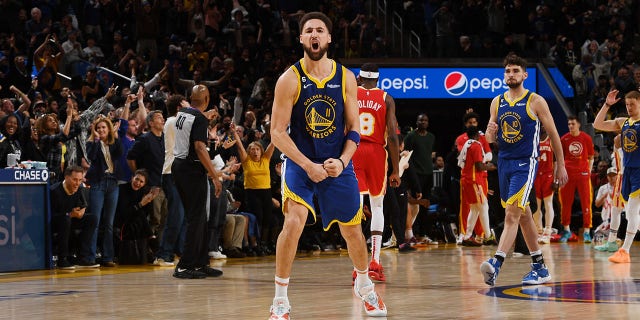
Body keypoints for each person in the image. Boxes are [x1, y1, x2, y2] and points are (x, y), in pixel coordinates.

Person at [269, 12, 386, 319]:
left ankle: (364, 285)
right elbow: (277, 133)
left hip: (337, 163)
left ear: (330, 38)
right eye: (309, 31)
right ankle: (280, 299)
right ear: (301, 39)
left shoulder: (346, 77)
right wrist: (308, 165)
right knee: (292, 222)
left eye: (320, 30)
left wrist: (343, 160)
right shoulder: (289, 79)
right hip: (299, 162)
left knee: (353, 231)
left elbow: (354, 129)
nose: (315, 34)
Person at [481, 54, 568, 286]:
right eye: (508, 71)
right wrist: (489, 133)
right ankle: (539, 267)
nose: (511, 74)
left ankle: (496, 263)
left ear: (524, 75)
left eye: (515, 71)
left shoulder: (536, 101)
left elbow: (554, 134)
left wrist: (560, 164)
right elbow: (491, 139)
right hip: (504, 163)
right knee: (523, 216)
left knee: (511, 214)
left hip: (525, 163)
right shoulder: (496, 102)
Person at [351, 62, 400, 282]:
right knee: (377, 206)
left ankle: (357, 266)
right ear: (378, 80)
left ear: (360, 78)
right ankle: (375, 262)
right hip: (377, 153)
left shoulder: (351, 93)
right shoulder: (386, 98)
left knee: (356, 208)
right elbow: (392, 136)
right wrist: (396, 170)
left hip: (354, 149)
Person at [171, 84, 223, 279]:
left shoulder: (183, 113)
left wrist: (205, 118)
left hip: (179, 166)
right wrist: (215, 176)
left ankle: (200, 262)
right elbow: (200, 148)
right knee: (196, 217)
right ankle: (185, 265)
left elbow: (194, 124)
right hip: (191, 170)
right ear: (207, 99)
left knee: (200, 217)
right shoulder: (199, 119)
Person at [593, 89, 640, 263]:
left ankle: (624, 251)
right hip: (626, 172)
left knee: (633, 210)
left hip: (638, 171)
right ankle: (622, 248)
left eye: (632, 104)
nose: (629, 107)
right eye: (627, 104)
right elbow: (597, 125)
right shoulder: (623, 122)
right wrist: (606, 105)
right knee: (629, 214)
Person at [86, 116, 122, 267]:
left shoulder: (113, 144)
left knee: (109, 223)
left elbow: (120, 153)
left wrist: (116, 135)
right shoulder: (91, 143)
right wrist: (95, 139)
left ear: (108, 129)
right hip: (98, 182)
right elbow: (91, 157)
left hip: (113, 183)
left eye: (103, 128)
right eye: (98, 127)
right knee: (95, 220)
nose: (101, 130)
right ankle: (89, 257)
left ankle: (108, 257)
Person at [454, 110, 495, 244]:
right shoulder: (476, 145)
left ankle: (468, 236)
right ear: (477, 135)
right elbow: (479, 166)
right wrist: (491, 166)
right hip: (474, 180)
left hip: (468, 179)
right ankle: (488, 235)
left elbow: (461, 162)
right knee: (483, 206)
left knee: (475, 208)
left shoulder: (467, 144)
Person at [50, 166, 99, 269]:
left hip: (70, 219)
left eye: (80, 180)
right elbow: (51, 216)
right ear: (66, 177)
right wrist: (69, 214)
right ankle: (62, 259)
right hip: (55, 223)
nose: (77, 183)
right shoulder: (54, 191)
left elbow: (83, 206)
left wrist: (82, 211)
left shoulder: (79, 189)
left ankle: (82, 257)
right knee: (65, 219)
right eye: (75, 179)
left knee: (92, 219)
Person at [558, 115, 594, 243]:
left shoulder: (586, 138)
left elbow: (591, 157)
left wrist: (588, 170)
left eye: (573, 124)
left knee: (586, 202)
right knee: (566, 202)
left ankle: (587, 232)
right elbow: (560, 159)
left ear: (578, 124)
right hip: (568, 175)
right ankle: (567, 230)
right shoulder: (564, 139)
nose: (570, 126)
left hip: (583, 174)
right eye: (569, 124)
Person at [404, 113, 437, 245]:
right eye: (420, 120)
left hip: (428, 174)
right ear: (416, 122)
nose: (423, 122)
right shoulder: (411, 136)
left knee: (426, 205)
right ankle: (411, 233)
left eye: (425, 120)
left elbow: (430, 153)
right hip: (416, 175)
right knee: (414, 204)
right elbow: (406, 154)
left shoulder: (431, 137)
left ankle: (423, 234)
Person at [532, 127, 557, 244]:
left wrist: (556, 179)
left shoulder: (551, 140)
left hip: (548, 175)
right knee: (536, 206)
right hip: (536, 176)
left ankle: (548, 230)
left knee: (548, 204)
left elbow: (556, 162)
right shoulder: (534, 140)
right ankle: (539, 230)